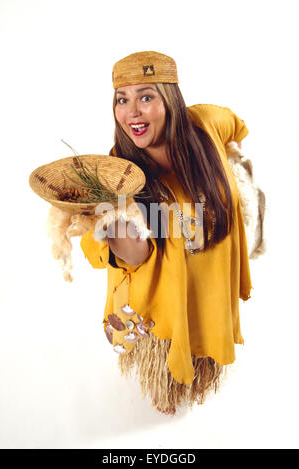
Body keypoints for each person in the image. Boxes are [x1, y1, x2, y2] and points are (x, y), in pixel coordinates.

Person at [80, 51, 252, 415]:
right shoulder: (120, 174)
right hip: (162, 312)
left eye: (146, 97)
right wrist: (111, 223)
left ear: (170, 99)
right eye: (121, 100)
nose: (132, 112)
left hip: (208, 297)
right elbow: (135, 256)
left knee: (202, 376)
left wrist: (235, 175)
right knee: (166, 397)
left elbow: (236, 127)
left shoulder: (206, 124)